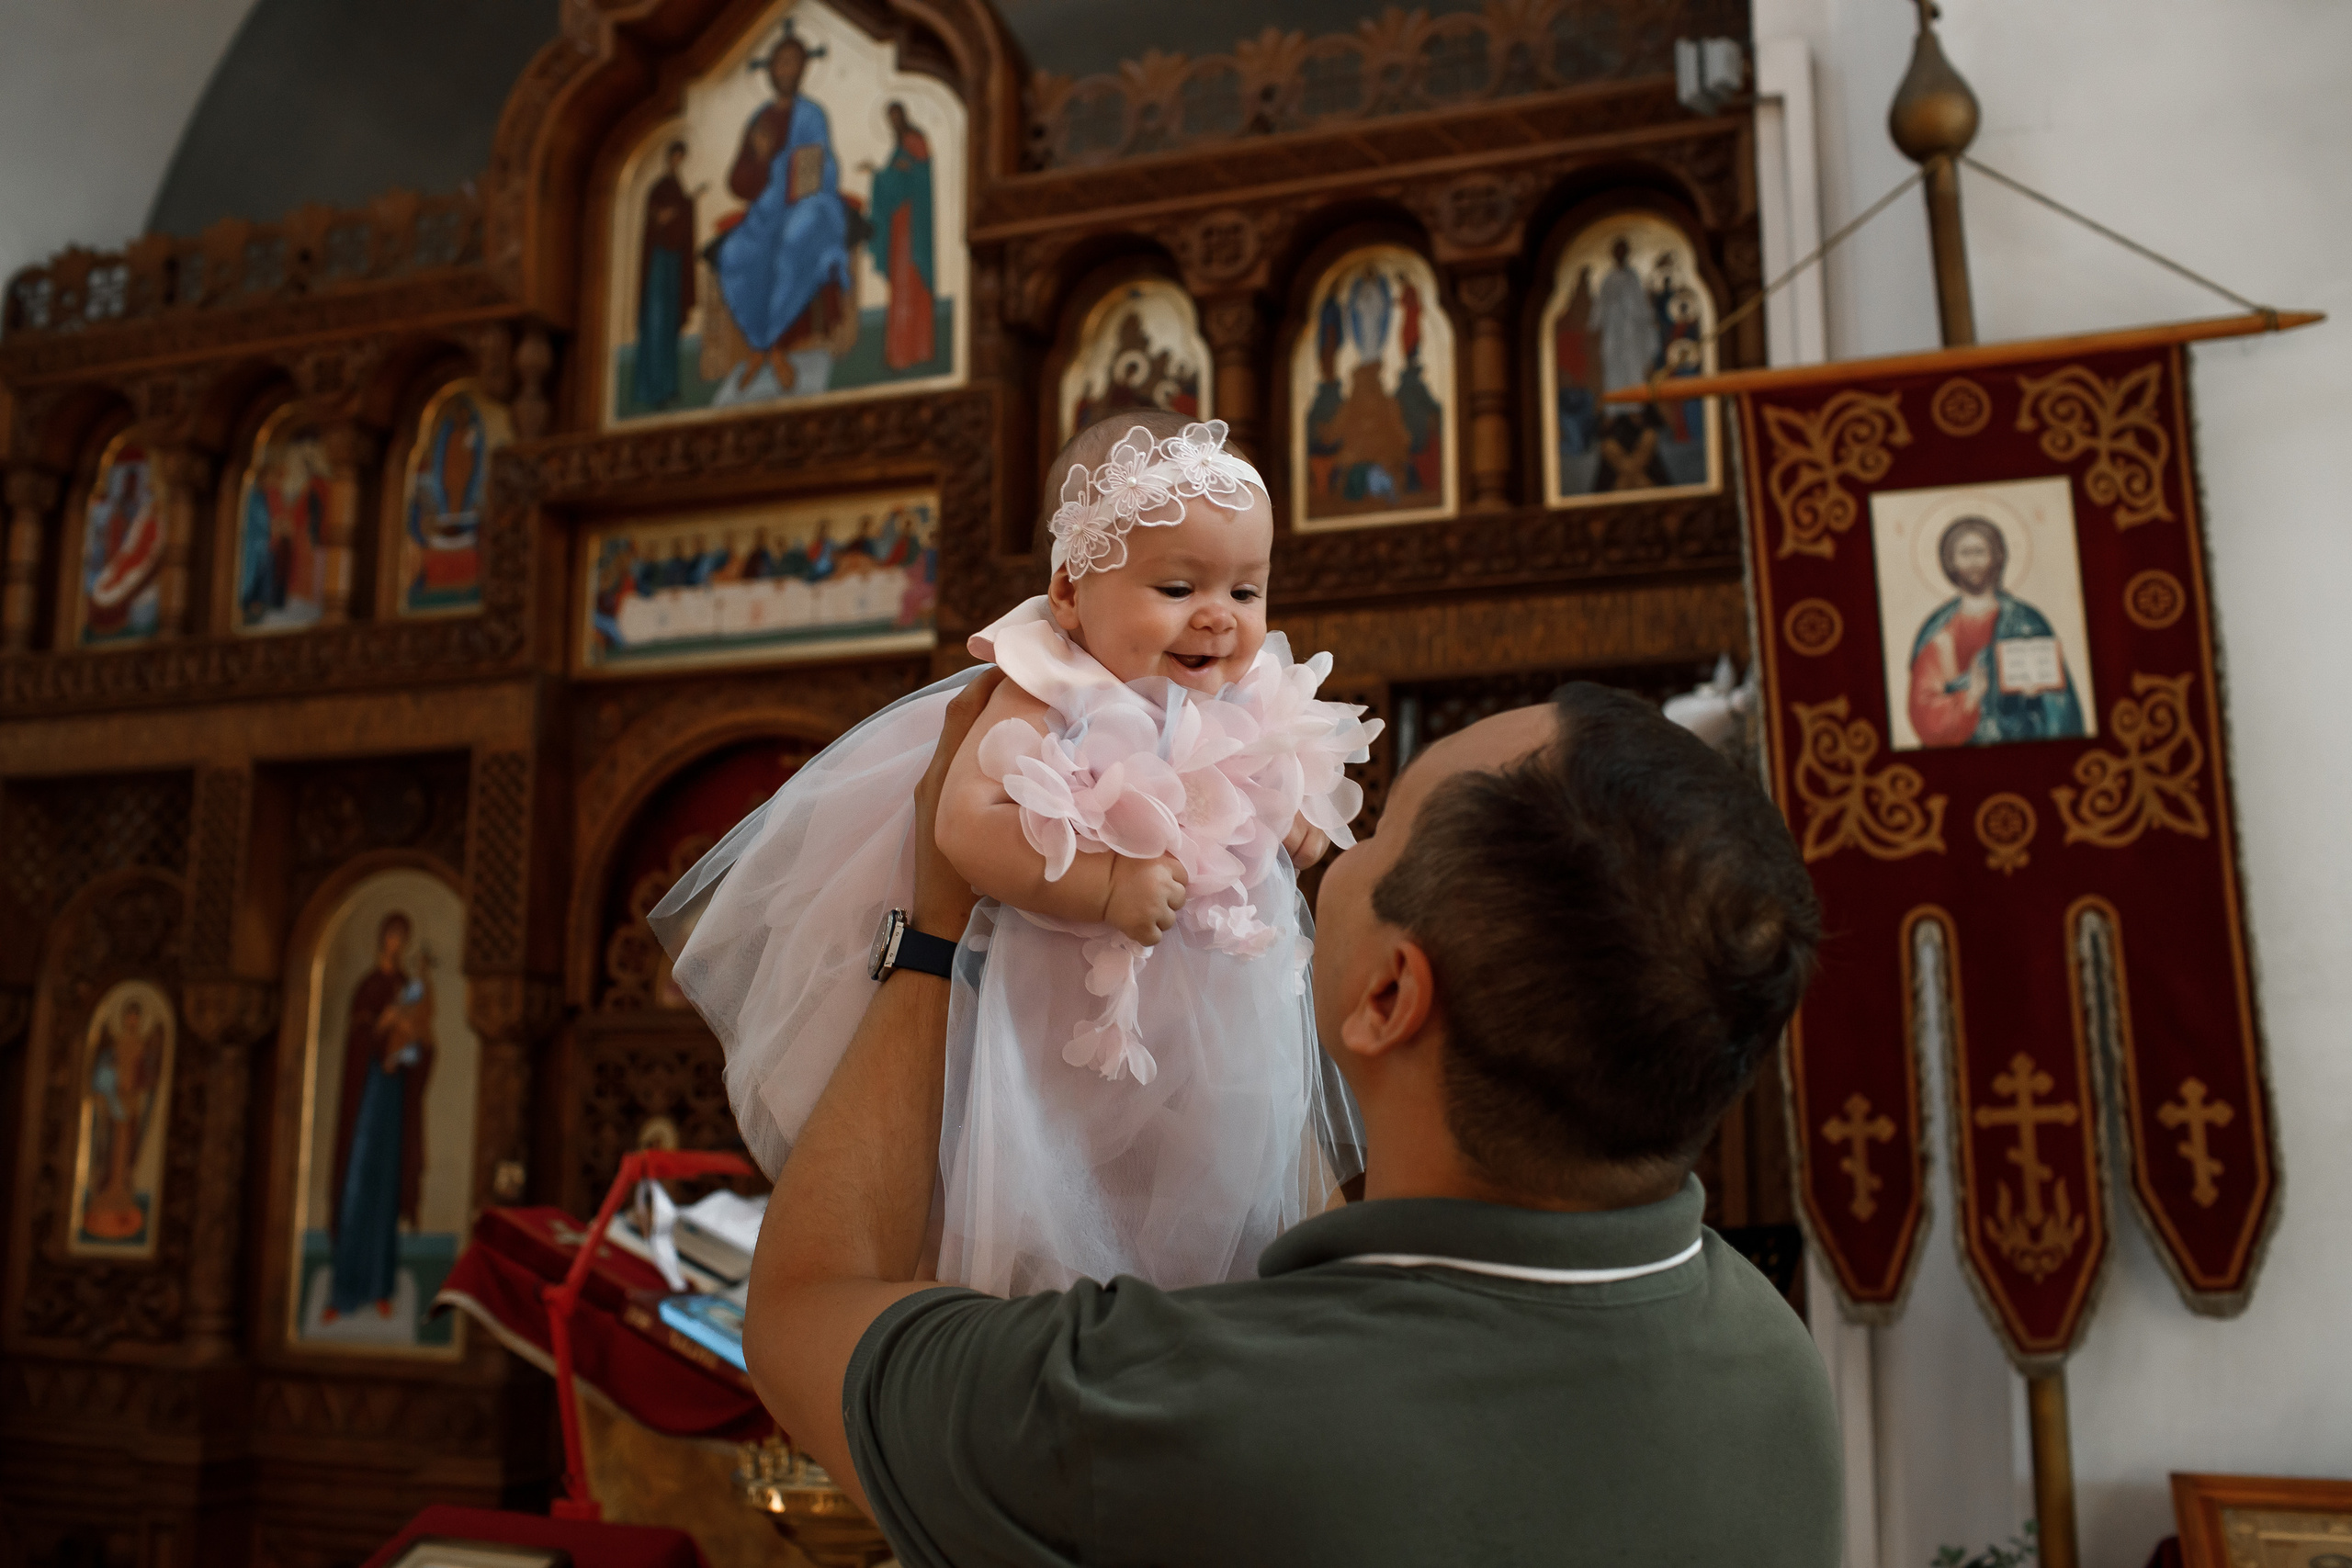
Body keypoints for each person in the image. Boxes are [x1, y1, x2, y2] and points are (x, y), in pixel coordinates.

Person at [733, 642, 1838, 1566]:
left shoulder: (1156, 1407)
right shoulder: (1772, 1360)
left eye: (1388, 821)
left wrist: (932, 932)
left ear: (1392, 995)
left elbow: (802, 1312)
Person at [659, 410, 1377, 1297]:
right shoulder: (1045, 691)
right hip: (1047, 1005)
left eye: (1245, 591)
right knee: (1045, 1193)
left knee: (1210, 1189)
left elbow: (1263, 779)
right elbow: (962, 826)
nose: (1219, 621)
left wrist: (1288, 814)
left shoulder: (1234, 693)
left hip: (1205, 1021)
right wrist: (1105, 882)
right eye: (1178, 587)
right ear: (1070, 592)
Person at [711, 32, 853, 398]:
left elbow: (815, 173)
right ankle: (764, 345)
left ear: (803, 69)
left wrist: (792, 185)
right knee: (735, 254)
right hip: (768, 208)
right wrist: (758, 157)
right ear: (770, 71)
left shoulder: (811, 115)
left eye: (792, 62)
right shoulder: (761, 119)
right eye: (779, 62)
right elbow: (739, 184)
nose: (784, 70)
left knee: (794, 241)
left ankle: (772, 347)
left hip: (811, 202)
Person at [325, 914, 435, 1322]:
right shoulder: (368, 988)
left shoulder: (407, 987)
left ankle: (380, 1287)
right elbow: (359, 1039)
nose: (395, 943)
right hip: (366, 1096)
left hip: (393, 1100)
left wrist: (413, 1042)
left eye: (401, 937)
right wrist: (381, 1027)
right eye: (390, 935)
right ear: (381, 938)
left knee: (386, 1190)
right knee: (357, 1188)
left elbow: (420, 1045)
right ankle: (343, 1292)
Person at [1907, 514, 2086, 746]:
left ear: (1996, 557)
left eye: (1980, 552)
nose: (1973, 562)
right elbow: (1923, 709)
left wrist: (2033, 698)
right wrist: (1969, 697)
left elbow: (2059, 709)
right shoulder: (1938, 629)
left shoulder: (2027, 621)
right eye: (1965, 553)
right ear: (1950, 562)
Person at [867, 102, 934, 371]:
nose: (893, 123)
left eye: (896, 117)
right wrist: (881, 175)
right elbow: (896, 176)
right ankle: (899, 352)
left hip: (913, 225)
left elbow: (918, 173)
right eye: (890, 119)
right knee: (900, 284)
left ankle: (915, 350)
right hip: (899, 224)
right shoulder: (900, 145)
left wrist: (886, 175)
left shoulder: (914, 140)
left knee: (912, 281)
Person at [632, 141, 699, 412]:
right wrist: (674, 211)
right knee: (657, 324)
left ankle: (669, 387)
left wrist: (688, 204)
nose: (678, 161)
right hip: (659, 261)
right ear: (669, 157)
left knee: (669, 326)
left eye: (682, 158)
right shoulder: (660, 187)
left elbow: (679, 215)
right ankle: (652, 390)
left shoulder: (676, 186)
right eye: (676, 157)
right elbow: (658, 218)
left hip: (673, 262)